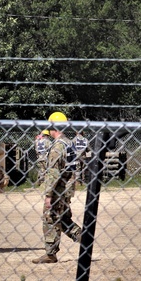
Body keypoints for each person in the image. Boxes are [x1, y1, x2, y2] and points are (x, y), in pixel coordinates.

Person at [33, 111, 82, 264]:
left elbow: (53, 173)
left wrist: (49, 195)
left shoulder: (58, 146)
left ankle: (50, 254)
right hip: (66, 188)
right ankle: (84, 238)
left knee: (50, 217)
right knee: (63, 218)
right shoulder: (68, 142)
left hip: (58, 189)